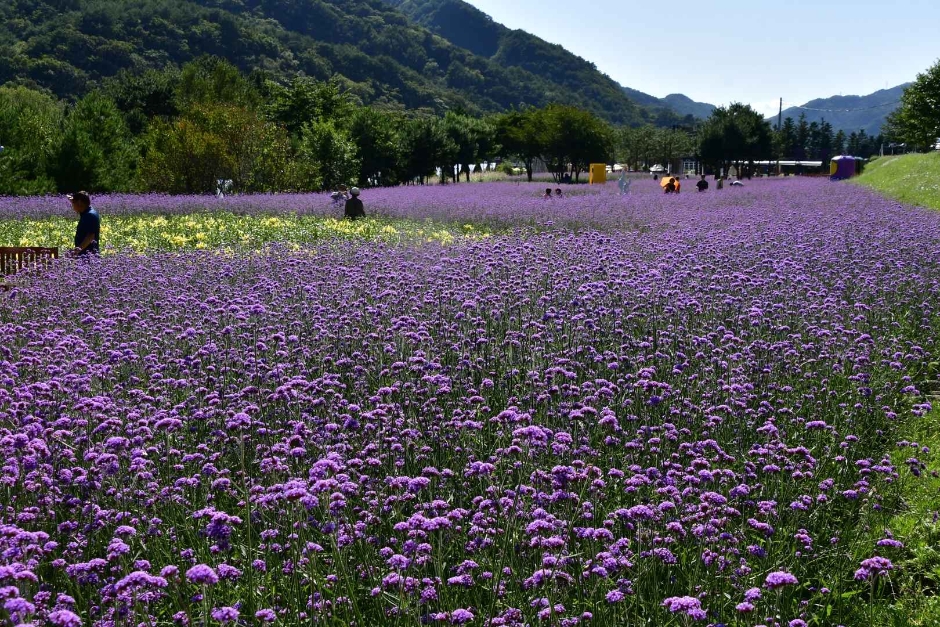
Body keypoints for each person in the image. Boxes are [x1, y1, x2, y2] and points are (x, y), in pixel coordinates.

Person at [68, 191, 100, 256]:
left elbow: (90, 236)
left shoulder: (90, 215)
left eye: (73, 204)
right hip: (85, 254)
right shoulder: (87, 212)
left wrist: (76, 251)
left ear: (79, 203)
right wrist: (73, 200)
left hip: (88, 256)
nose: (73, 207)